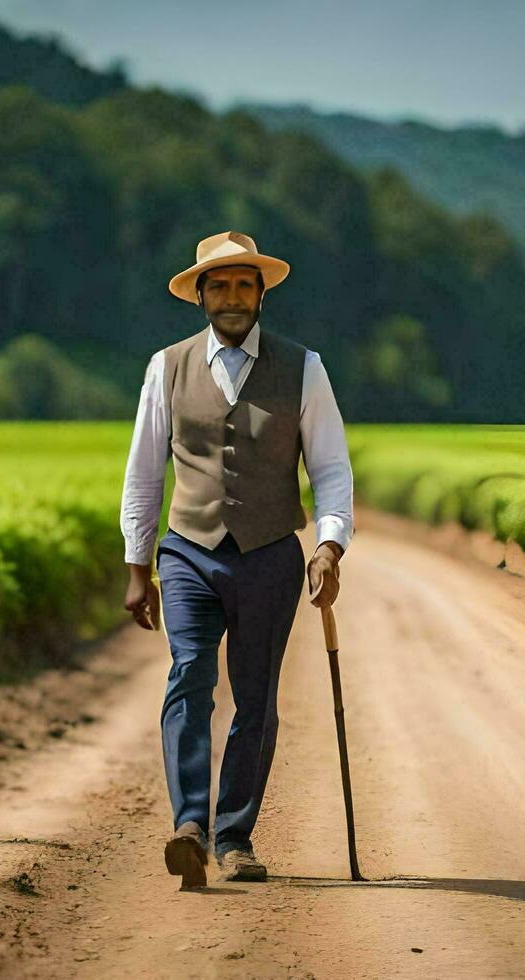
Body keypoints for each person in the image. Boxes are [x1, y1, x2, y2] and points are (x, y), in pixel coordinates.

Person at [119, 230, 355, 889]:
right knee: (190, 675)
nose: (231, 297)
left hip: (270, 555)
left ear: (261, 294)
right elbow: (144, 476)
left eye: (243, 285)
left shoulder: (303, 367)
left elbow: (331, 469)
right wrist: (140, 566)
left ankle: (235, 837)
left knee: (255, 698)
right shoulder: (166, 368)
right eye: (218, 285)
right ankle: (189, 825)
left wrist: (330, 545)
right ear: (199, 296)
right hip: (189, 553)